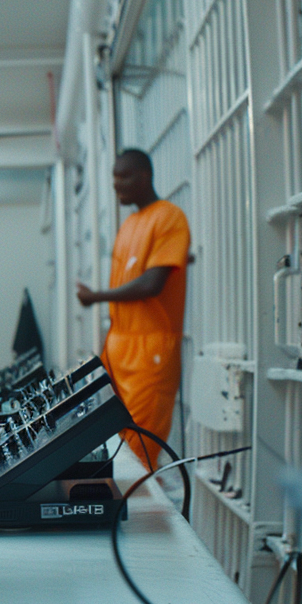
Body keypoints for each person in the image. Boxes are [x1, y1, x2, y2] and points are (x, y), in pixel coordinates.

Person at [76, 148, 189, 469]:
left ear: (145, 177)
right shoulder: (130, 225)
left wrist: (95, 296)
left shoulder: (169, 218)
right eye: (113, 177)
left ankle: (130, 517)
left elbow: (151, 284)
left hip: (149, 353)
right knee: (116, 447)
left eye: (123, 176)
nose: (116, 184)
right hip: (119, 349)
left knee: (138, 454)